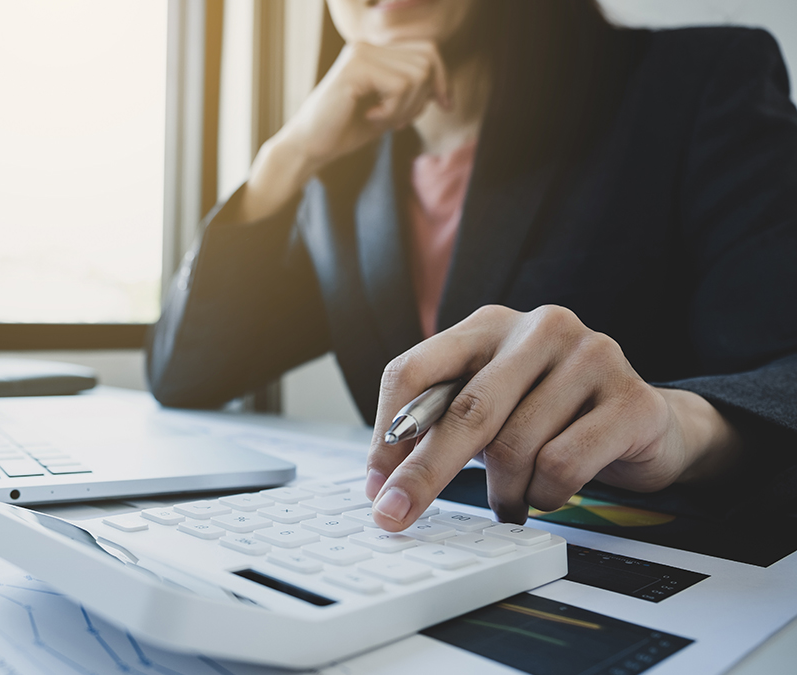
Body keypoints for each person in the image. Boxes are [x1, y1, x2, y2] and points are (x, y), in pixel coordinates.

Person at [146, 0, 797, 531]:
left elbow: (784, 366)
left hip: (666, 559)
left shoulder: (701, 79)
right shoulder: (340, 185)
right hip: (429, 552)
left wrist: (676, 424)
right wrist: (283, 159)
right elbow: (187, 372)